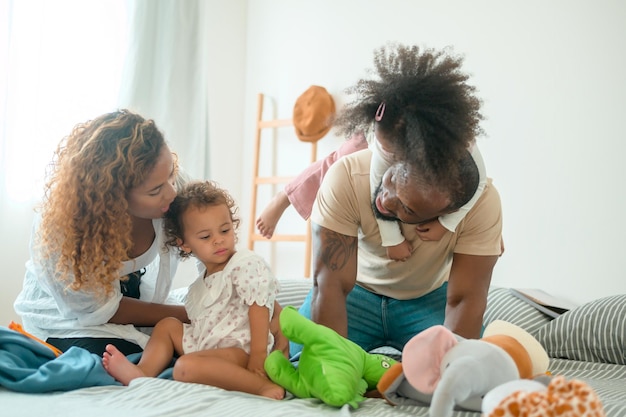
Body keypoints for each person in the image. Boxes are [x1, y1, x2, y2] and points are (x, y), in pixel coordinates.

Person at [13, 110, 286, 357]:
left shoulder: (172, 190)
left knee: (199, 343)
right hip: (72, 316)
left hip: (134, 297)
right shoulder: (66, 235)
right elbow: (100, 311)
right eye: (155, 190)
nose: (172, 192)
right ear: (113, 199)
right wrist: (194, 314)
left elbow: (216, 245)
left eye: (170, 176)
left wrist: (260, 299)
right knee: (118, 356)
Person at [291, 43, 503, 357]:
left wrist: (453, 370)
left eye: (409, 207)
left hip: (427, 298)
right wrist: (332, 364)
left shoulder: (478, 201)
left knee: (472, 362)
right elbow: (330, 285)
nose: (386, 203)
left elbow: (465, 300)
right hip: (355, 293)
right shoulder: (349, 177)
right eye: (391, 177)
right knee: (301, 356)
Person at [102, 180, 285, 400]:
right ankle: (143, 372)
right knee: (168, 325)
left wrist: (258, 356)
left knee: (184, 367)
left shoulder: (244, 263)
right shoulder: (200, 285)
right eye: (206, 237)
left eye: (225, 230)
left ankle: (261, 387)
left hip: (240, 349)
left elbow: (260, 307)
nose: (218, 240)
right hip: (207, 344)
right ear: (185, 244)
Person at [256, 93, 488, 262]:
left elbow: (479, 184)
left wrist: (449, 224)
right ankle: (284, 197)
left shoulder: (462, 145)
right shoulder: (380, 144)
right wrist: (392, 239)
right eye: (383, 150)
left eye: (388, 151)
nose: (381, 153)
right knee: (337, 161)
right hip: (373, 138)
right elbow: (380, 194)